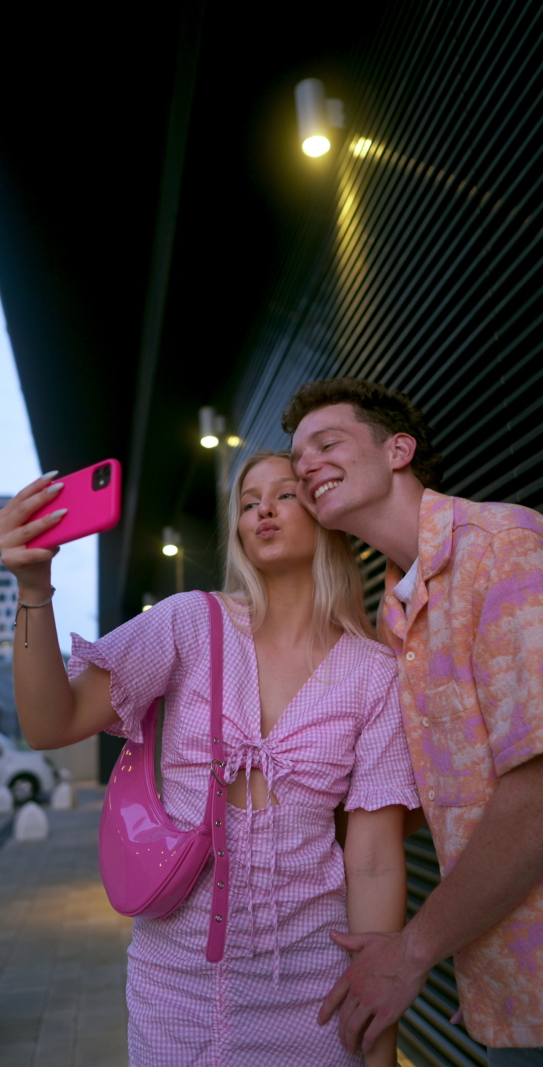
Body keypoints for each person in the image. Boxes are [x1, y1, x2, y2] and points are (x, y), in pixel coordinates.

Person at [0, 450, 419, 1067]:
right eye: (248, 502)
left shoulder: (374, 674)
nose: (263, 510)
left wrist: (378, 1042)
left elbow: (375, 864)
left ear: (327, 514)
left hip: (317, 989)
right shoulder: (189, 623)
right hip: (177, 989)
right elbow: (48, 723)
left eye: (285, 495)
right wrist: (34, 590)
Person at [284, 377, 543, 1066]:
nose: (303, 465)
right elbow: (434, 795)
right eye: (296, 455)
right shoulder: (393, 616)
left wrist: (412, 949)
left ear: (398, 449)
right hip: (505, 980)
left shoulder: (503, 546)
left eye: (326, 443)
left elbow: (537, 790)